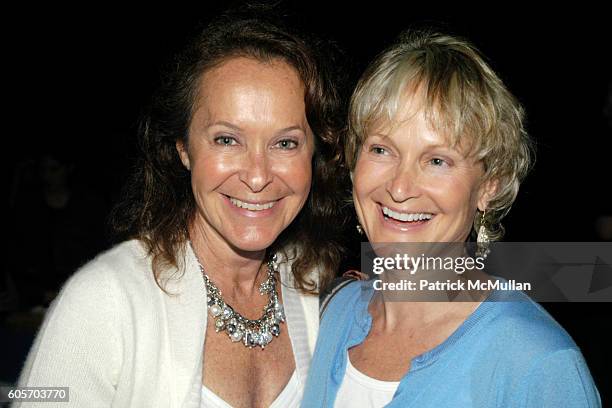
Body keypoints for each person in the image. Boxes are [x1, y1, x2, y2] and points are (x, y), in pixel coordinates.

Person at [16, 10, 348, 408]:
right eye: (227, 140)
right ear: (183, 149)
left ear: (315, 153)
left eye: (285, 143)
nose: (258, 176)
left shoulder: (313, 284)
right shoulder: (105, 299)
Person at [302, 30, 601, 407]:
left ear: (489, 185)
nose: (399, 186)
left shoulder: (537, 365)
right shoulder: (328, 316)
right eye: (381, 149)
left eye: (437, 161)